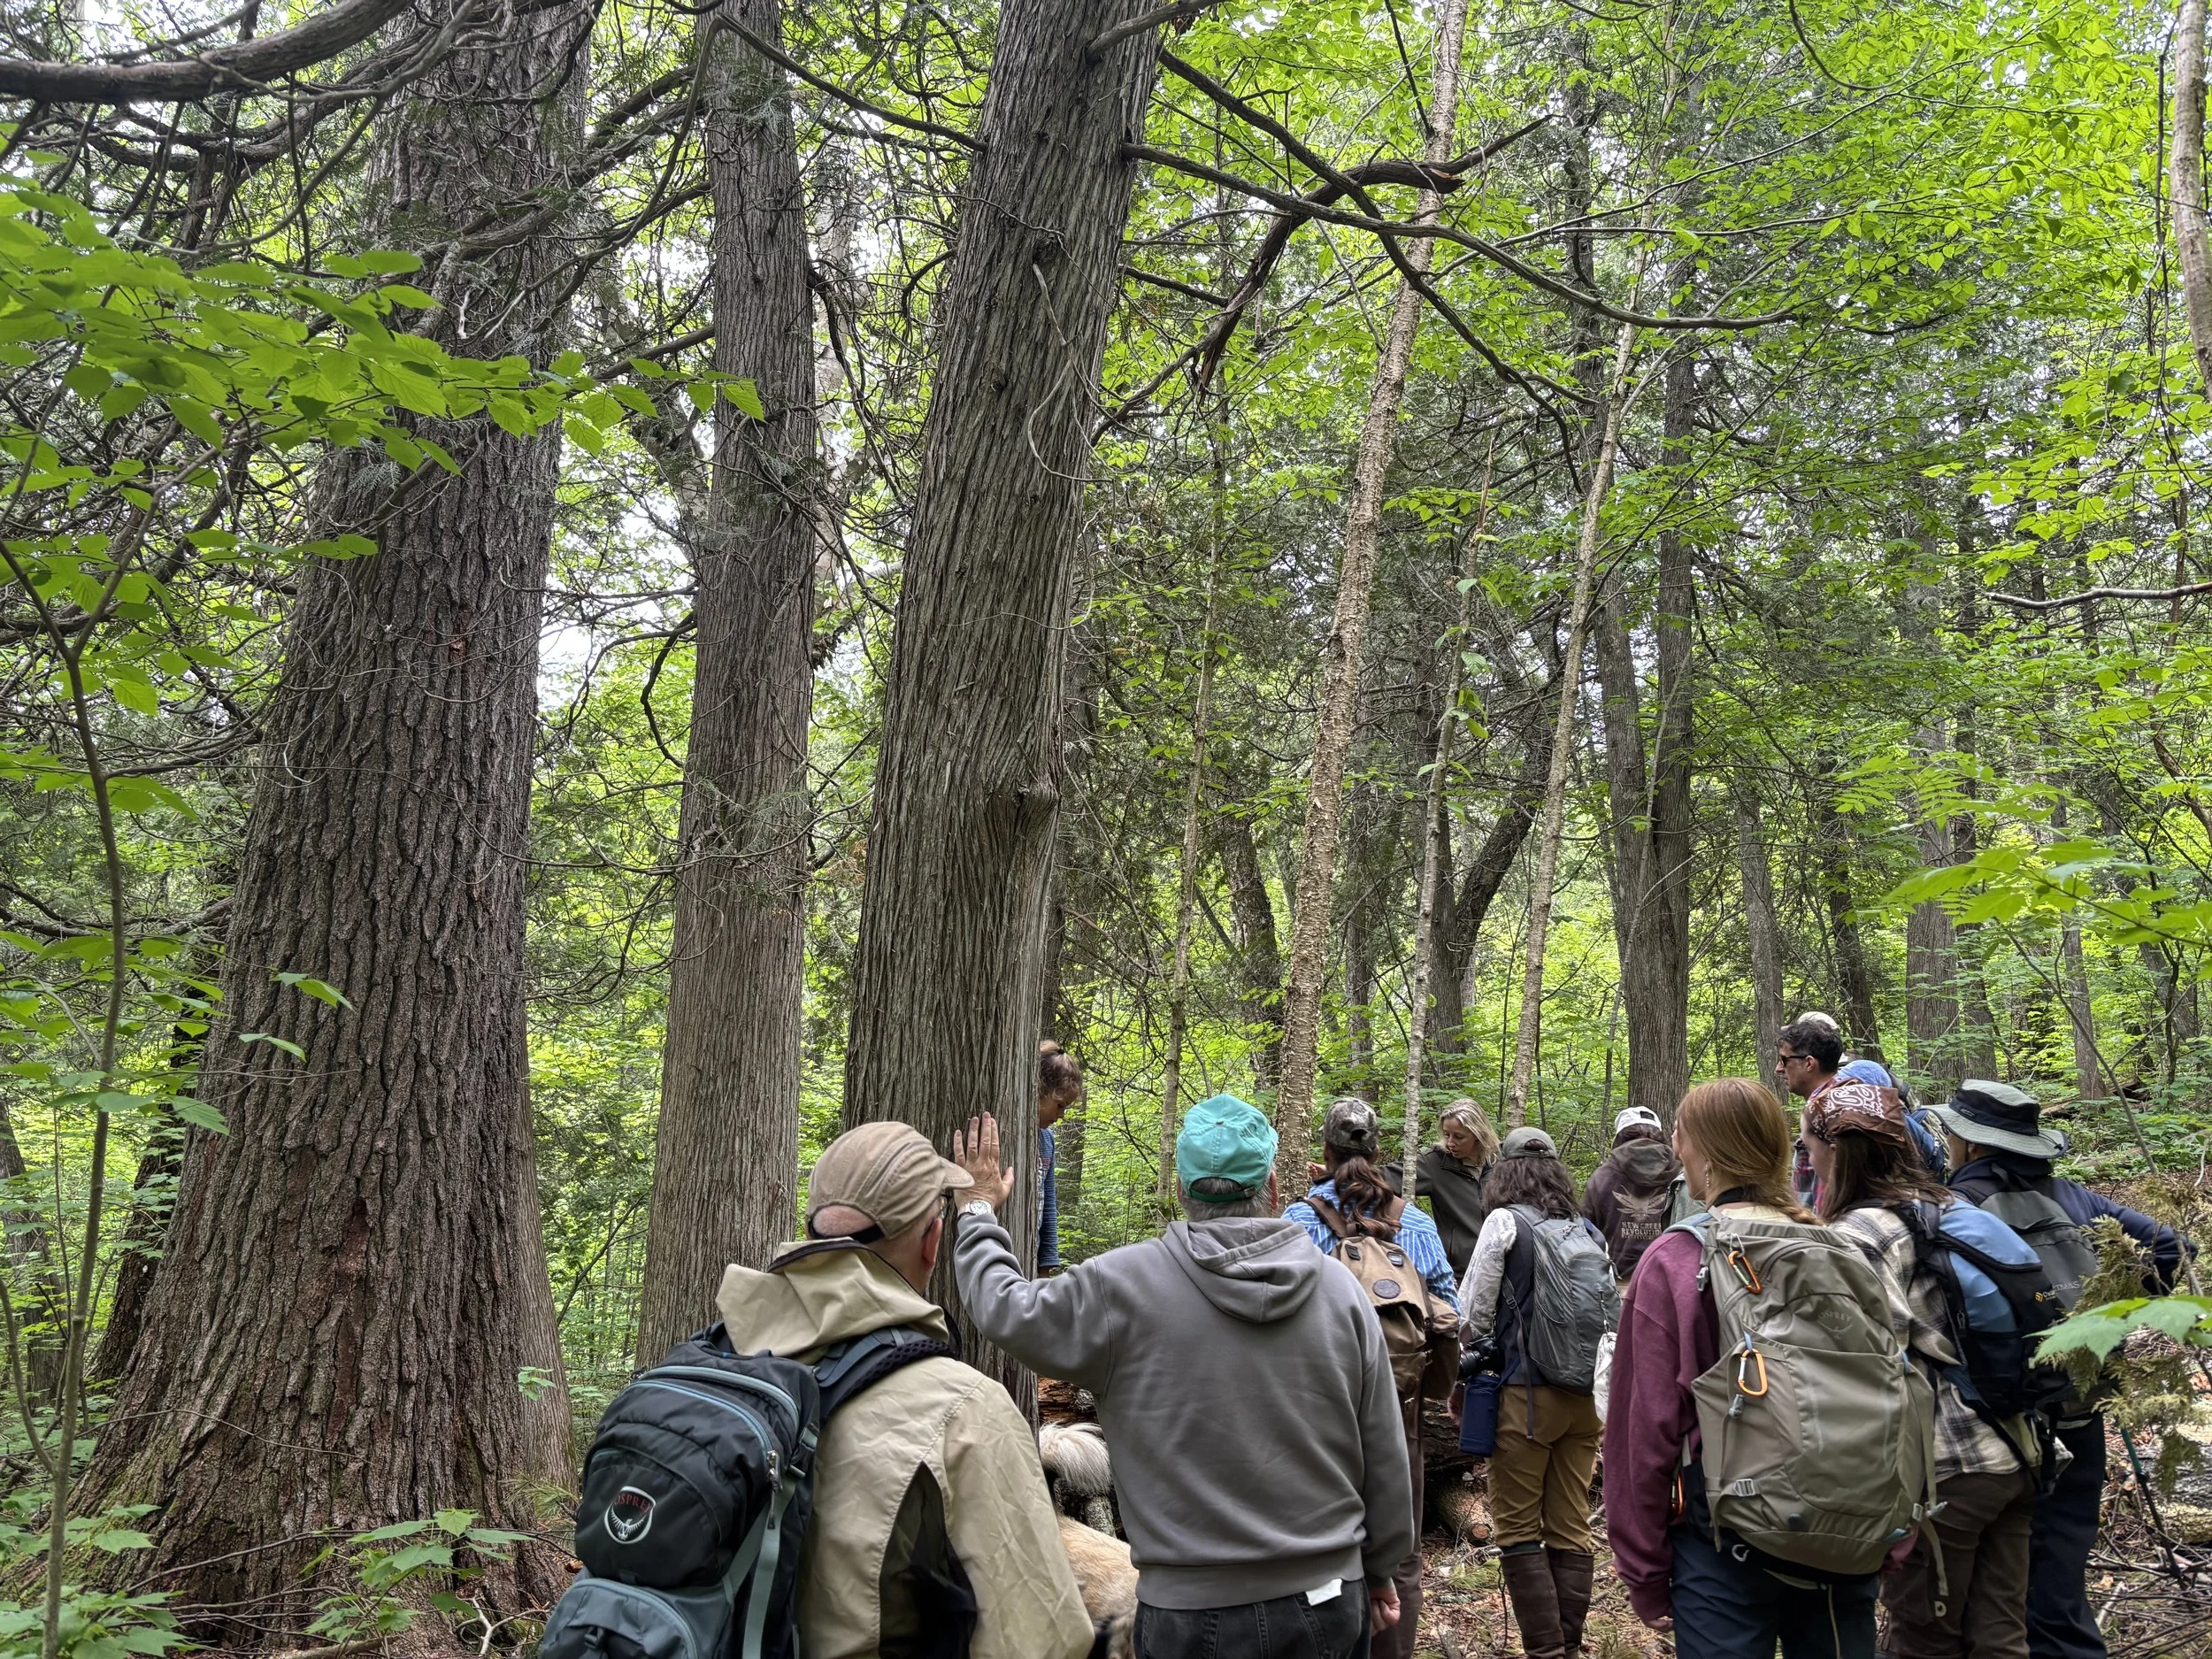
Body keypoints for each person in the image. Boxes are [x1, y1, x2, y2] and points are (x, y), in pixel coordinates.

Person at [952, 1095, 1412, 1659]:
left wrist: (977, 1211)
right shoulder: (1341, 1291)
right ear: (1272, 1188)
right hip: (1328, 1599)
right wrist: (1381, 1569)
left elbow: (1003, 1306)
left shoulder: (1119, 1287)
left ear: (1180, 1189)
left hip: (1189, 1616)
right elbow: (1384, 1453)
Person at [713, 1121, 1096, 1659]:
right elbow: (1043, 1642)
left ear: (813, 1234)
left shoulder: (719, 1356)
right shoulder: (965, 1412)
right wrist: (979, 1211)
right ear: (933, 1242)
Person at [1606, 1077, 1880, 1659]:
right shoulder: (1837, 1247)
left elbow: (1643, 1429)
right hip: (1846, 1528)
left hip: (1723, 1542)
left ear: (1703, 1152)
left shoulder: (1677, 1259)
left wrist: (1644, 1568)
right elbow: (1896, 1381)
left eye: (1681, 1134)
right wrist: (1891, 1530)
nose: (1675, 1146)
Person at [1938, 1080, 2191, 1659]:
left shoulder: (1955, 1208)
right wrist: (2110, 1318)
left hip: (1995, 1424)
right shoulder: (2074, 1198)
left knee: (1990, 1592)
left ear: (1972, 1145)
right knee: (2058, 1576)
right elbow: (2172, 1247)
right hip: (2080, 1404)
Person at [1808, 1080, 2039, 1659]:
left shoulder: (1855, 1236)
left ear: (1833, 1150)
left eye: (1808, 1145)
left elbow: (1861, 1372)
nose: (1807, 1159)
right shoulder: (1949, 1207)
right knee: (2002, 1639)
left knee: (1922, 1640)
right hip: (2013, 1448)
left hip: (1943, 1471)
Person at [1285, 1098, 1458, 1659]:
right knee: (1401, 1552)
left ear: (1325, 1150)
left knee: (1320, 1543)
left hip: (1318, 1409)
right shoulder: (1416, 1222)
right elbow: (1451, 1313)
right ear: (1378, 1152)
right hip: (1400, 1405)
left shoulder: (1299, 1221)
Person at [1456, 1126, 1611, 1659]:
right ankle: (1568, 1648)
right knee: (1570, 1525)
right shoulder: (1588, 1230)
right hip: (1585, 1401)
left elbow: (1473, 1313)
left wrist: (1469, 1365)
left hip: (1525, 1398)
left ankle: (1546, 1653)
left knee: (1519, 1528)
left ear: (1504, 1173)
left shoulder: (1505, 1223)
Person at [1581, 1106, 1683, 1286]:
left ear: (1619, 1137)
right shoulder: (1681, 1173)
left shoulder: (1602, 1177)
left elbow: (1585, 1232)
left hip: (1616, 1284)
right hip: (1670, 1284)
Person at [1412, 1098, 1500, 1275]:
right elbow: (1379, 1182)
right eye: (1446, 1135)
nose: (1450, 1143)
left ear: (1478, 1134)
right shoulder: (1434, 1163)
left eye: (1459, 1137)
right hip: (1458, 1273)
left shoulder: (1502, 1162)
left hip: (1501, 1270)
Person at [1778, 1014, 1846, 1206]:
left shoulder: (1822, 1116)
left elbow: (1817, 1206)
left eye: (1784, 1060)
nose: (1779, 1069)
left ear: (1809, 1063)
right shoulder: (1849, 1097)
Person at [1038, 1041, 1083, 1273]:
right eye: (1060, 1105)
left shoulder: (1047, 1141)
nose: (1062, 1115)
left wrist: (1045, 1266)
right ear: (1040, 1090)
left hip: (1029, 1254)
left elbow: (1048, 1205)